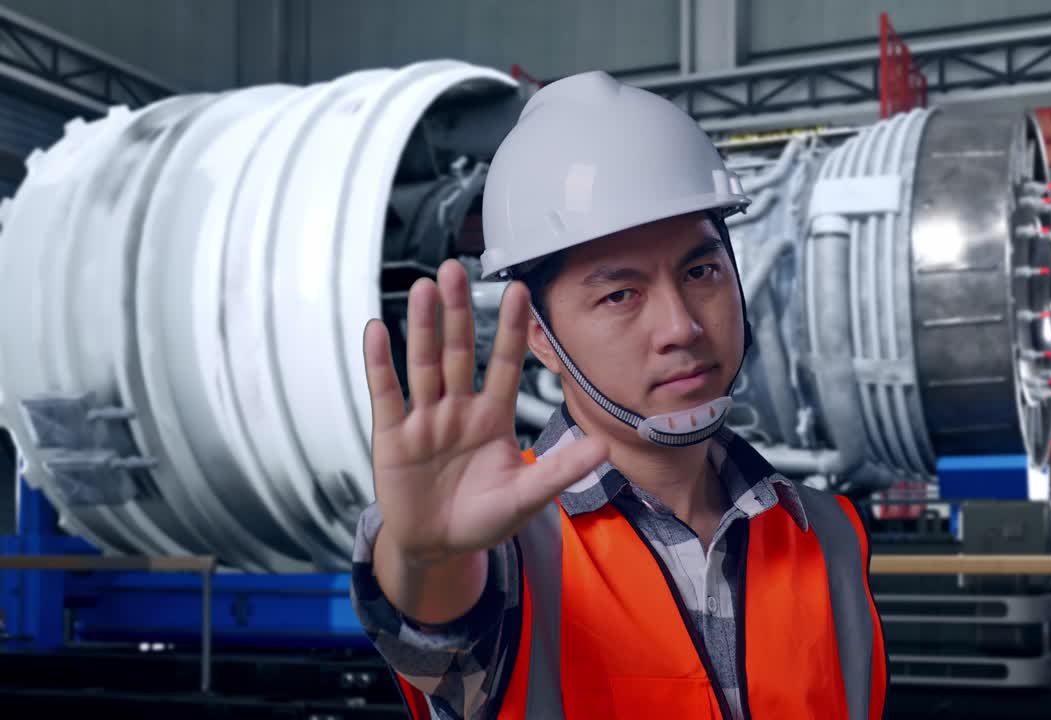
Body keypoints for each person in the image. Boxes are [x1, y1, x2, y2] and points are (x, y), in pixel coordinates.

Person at [352, 70, 888, 720]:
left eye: (702, 271)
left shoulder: (827, 535)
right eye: (620, 294)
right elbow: (436, 609)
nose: (681, 327)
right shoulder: (507, 546)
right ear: (540, 338)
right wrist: (424, 556)